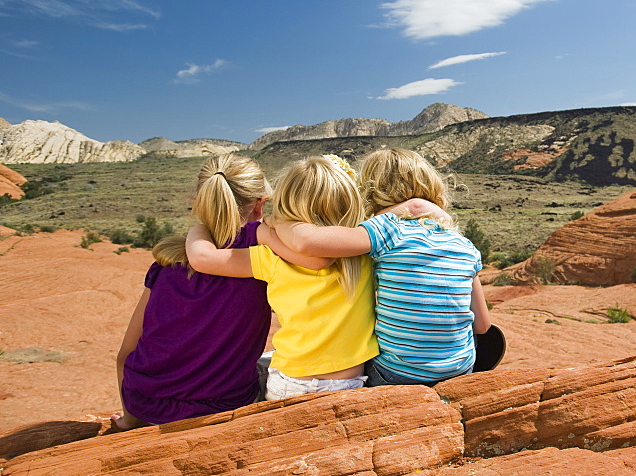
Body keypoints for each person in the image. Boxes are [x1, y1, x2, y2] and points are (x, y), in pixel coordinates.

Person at [113, 154, 323, 430]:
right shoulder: (262, 260)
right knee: (274, 362)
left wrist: (130, 420)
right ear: (260, 206)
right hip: (223, 405)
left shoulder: (167, 263)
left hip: (145, 404)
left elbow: (126, 353)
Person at [269, 148, 492, 387]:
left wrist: (273, 224)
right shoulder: (465, 245)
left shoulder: (386, 230)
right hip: (460, 368)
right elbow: (482, 325)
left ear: (371, 192)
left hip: (396, 374)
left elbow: (307, 242)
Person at [185, 155, 379, 400]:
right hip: (350, 381)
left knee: (256, 368)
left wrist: (199, 229)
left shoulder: (271, 257)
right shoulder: (367, 251)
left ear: (287, 204)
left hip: (291, 382)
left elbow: (203, 259)